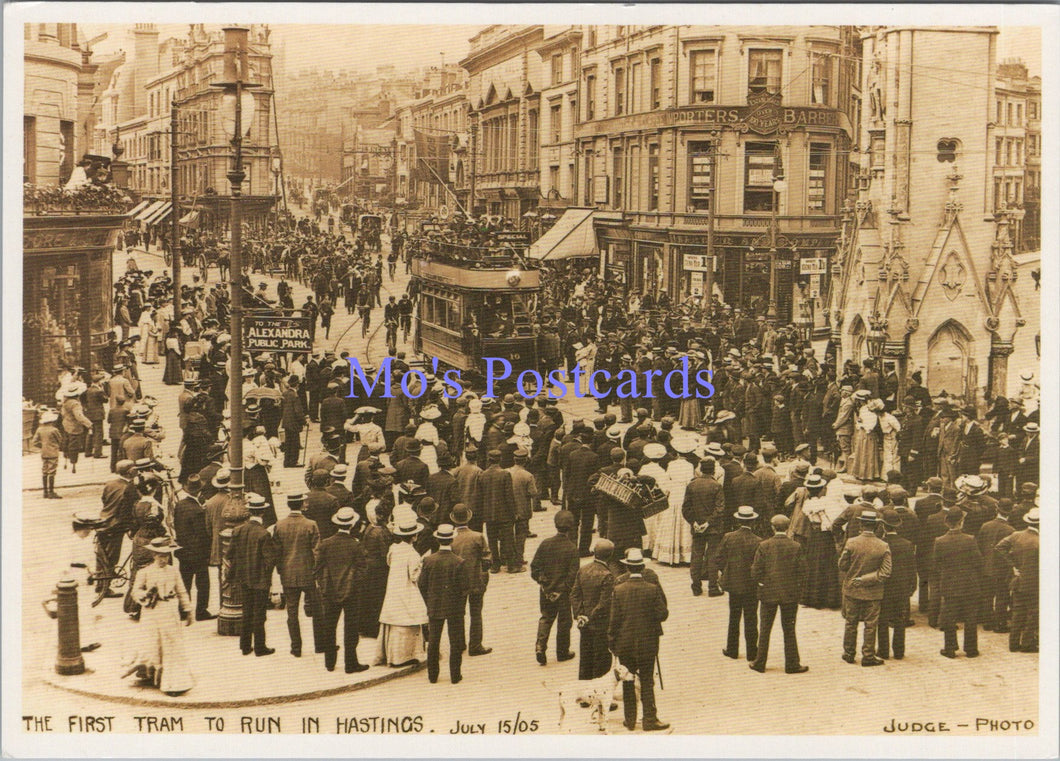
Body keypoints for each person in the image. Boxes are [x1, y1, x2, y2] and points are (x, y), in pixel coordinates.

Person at [608, 548, 670, 732]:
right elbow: (662, 613)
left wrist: (613, 644)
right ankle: (650, 719)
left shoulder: (619, 589)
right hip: (648, 642)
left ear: (627, 567)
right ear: (642, 566)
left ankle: (630, 719)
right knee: (647, 679)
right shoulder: (651, 589)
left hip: (625, 643)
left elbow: (614, 621)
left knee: (628, 680)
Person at [124, 537, 194, 696]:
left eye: (166, 556)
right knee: (153, 644)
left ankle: (174, 683)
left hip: (170, 611)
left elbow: (182, 591)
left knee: (172, 645)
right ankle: (149, 674)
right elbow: (135, 593)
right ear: (153, 555)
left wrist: (188, 610)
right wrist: (146, 594)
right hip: (152, 612)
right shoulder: (144, 572)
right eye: (160, 555)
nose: (163, 559)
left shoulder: (174, 571)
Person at [749, 515, 808, 674]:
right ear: (788, 527)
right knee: (789, 629)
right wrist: (796, 588)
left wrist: (762, 583)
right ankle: (792, 664)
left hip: (768, 593)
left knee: (765, 628)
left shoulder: (764, 545)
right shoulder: (796, 546)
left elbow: (755, 571)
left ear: (772, 527)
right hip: (789, 594)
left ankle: (759, 662)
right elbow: (802, 571)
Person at [315, 507, 370, 673]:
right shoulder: (355, 545)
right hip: (351, 591)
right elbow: (363, 570)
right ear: (352, 524)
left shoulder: (325, 544)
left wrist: (324, 586)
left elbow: (317, 568)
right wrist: (354, 584)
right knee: (350, 628)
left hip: (330, 590)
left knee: (329, 626)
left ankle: (330, 663)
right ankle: (351, 663)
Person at [375, 506, 427, 667]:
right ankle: (405, 656)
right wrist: (422, 565)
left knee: (394, 621)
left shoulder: (394, 549)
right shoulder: (413, 554)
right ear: (414, 536)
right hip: (406, 590)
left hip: (393, 588)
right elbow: (414, 576)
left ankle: (392, 655)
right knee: (406, 622)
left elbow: (389, 563)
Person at [837, 509, 891, 667]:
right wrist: (866, 579)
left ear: (860, 524)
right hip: (873, 591)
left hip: (852, 589)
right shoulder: (883, 545)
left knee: (850, 622)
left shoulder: (851, 542)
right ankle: (868, 655)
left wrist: (857, 577)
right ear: (876, 526)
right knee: (870, 624)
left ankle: (848, 653)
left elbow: (842, 565)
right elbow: (886, 572)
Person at [227, 494, 278, 657]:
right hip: (260, 580)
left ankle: (245, 645)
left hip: (243, 578)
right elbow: (269, 561)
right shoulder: (264, 534)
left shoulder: (238, 530)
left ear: (249, 512)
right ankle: (260, 647)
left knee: (246, 611)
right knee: (259, 615)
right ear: (262, 512)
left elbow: (229, 554)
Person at [273, 491, 323, 657]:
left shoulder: (279, 525)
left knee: (292, 613)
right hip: (308, 574)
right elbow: (317, 552)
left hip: (288, 575)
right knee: (317, 611)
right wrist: (317, 573)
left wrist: (281, 570)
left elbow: (277, 553)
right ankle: (320, 645)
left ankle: (296, 648)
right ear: (302, 505)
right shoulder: (311, 524)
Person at [419, 524, 469, 684]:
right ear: (452, 539)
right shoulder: (459, 562)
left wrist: (429, 600)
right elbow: (464, 588)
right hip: (454, 607)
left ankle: (432, 675)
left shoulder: (428, 560)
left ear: (438, 539)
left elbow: (422, 585)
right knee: (455, 642)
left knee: (433, 641)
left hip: (434, 605)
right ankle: (455, 675)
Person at [530, 510, 580, 666]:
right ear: (571, 528)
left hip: (545, 591)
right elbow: (573, 576)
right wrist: (561, 591)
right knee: (564, 623)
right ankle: (562, 652)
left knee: (546, 618)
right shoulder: (572, 549)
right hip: (563, 594)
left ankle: (540, 646)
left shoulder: (545, 543)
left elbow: (535, 568)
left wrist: (544, 584)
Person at [933, 509, 982, 658]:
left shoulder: (939, 541)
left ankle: (950, 648)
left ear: (947, 522)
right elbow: (979, 561)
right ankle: (971, 649)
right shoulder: (970, 539)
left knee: (949, 617)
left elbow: (936, 565)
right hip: (969, 584)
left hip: (949, 584)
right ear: (961, 522)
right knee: (970, 617)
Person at [717, 506, 762, 662]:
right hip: (750, 585)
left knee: (734, 617)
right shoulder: (758, 541)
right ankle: (752, 652)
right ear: (753, 521)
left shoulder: (729, 537)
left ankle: (732, 649)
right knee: (751, 618)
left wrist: (726, 571)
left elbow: (719, 558)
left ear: (738, 520)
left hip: (733, 583)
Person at [450, 504, 492, 656]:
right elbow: (487, 559)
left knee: (458, 613)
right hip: (475, 580)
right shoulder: (478, 536)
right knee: (476, 613)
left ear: (453, 519)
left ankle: (459, 643)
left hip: (456, 582)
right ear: (469, 517)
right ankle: (475, 645)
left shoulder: (450, 538)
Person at [995, 507, 1039, 653]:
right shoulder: (1040, 541)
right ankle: (1027, 643)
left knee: (1018, 612)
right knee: (1033, 613)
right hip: (1034, 583)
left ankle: (1013, 644)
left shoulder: (1016, 535)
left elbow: (999, 547)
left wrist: (1013, 565)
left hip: (1018, 580)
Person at [571, 539, 616, 680]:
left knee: (585, 656)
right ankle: (598, 693)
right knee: (601, 658)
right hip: (600, 624)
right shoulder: (607, 575)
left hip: (584, 623)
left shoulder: (583, 570)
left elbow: (575, 594)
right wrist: (590, 617)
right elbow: (604, 603)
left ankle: (584, 691)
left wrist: (580, 615)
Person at [172, 475, 214, 621]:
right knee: (203, 583)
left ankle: (183, 610)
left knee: (185, 582)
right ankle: (201, 611)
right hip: (198, 553)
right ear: (199, 491)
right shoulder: (198, 510)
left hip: (183, 550)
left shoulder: (180, 504)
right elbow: (202, 534)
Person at [682, 457, 726, 597]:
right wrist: (708, 523)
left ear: (700, 469)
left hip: (697, 528)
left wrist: (694, 522)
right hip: (713, 528)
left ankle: (696, 587)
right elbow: (720, 508)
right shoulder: (716, 486)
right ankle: (713, 587)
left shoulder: (692, 485)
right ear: (713, 469)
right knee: (713, 556)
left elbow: (686, 508)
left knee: (696, 556)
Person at [877, 509, 916, 660]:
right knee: (900, 620)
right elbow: (912, 567)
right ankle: (899, 651)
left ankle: (883, 650)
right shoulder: (907, 544)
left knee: (883, 619)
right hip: (902, 587)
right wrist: (912, 585)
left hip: (884, 586)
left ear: (883, 526)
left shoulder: (880, 544)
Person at [475, 449, 519, 573]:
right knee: (508, 539)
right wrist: (513, 513)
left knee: (492, 540)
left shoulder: (482, 475)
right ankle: (511, 565)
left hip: (489, 514)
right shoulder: (505, 474)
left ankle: (495, 565)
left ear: (489, 460)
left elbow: (479, 496)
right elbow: (509, 496)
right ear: (500, 460)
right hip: (504, 514)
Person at [977, 499, 1015, 633]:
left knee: (987, 595)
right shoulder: (1010, 530)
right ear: (1009, 512)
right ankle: (1000, 623)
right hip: (1001, 569)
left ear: (997, 509)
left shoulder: (985, 526)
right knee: (1002, 596)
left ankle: (987, 621)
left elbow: (979, 546)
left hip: (986, 566)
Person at [31, 409, 63, 499]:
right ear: (52, 421)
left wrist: (42, 446)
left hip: (44, 453)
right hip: (53, 452)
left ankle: (45, 491)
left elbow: (34, 442)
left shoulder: (39, 429)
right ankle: (51, 492)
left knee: (44, 471)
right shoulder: (54, 430)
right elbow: (60, 440)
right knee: (52, 471)